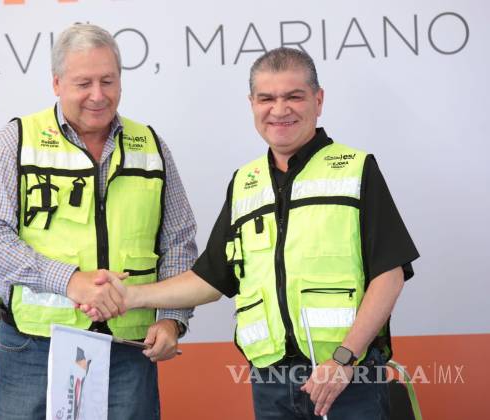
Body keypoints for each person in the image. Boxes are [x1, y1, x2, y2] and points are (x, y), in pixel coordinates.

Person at [84, 47, 419, 419]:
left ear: (318, 100)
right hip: (271, 382)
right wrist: (130, 296)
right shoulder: (246, 182)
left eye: (294, 96)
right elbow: (209, 279)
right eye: (267, 98)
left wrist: (343, 359)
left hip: (347, 378)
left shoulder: (355, 169)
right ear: (252, 104)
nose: (280, 109)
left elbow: (389, 275)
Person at [0, 23, 197, 420]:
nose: (98, 95)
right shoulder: (17, 141)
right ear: (57, 83)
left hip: (129, 350)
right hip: (33, 349)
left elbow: (178, 241)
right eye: (83, 83)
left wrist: (172, 320)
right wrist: (71, 280)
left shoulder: (151, 146)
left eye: (108, 81)